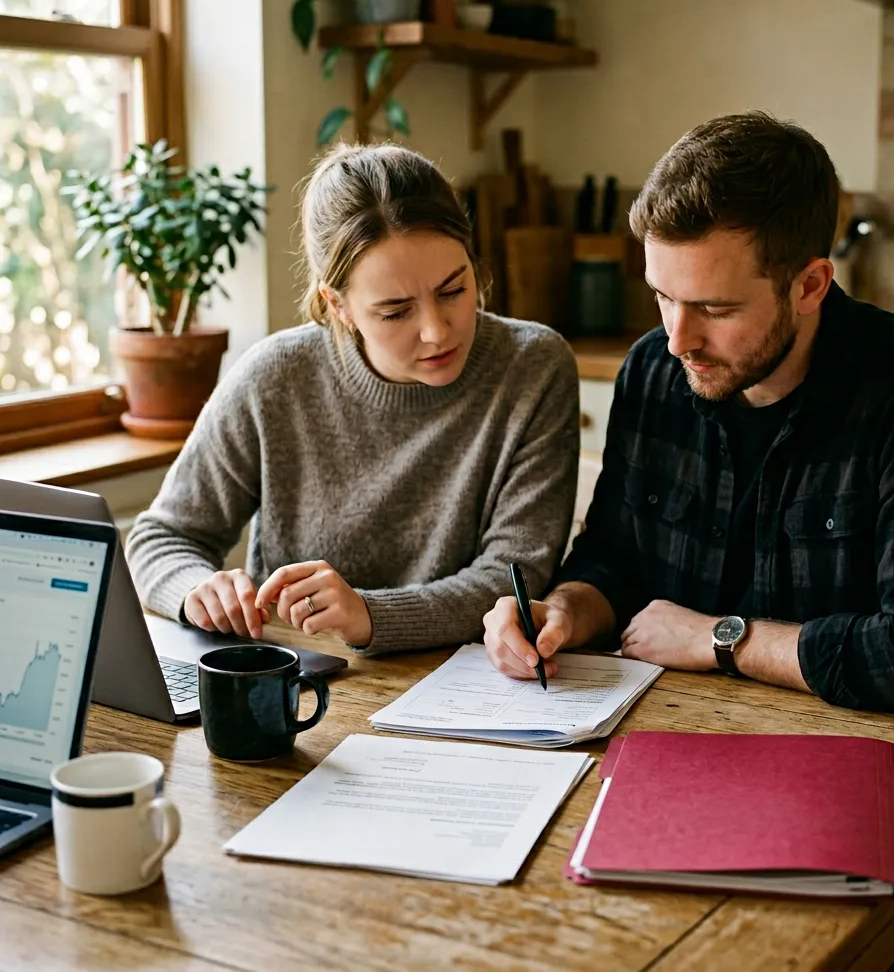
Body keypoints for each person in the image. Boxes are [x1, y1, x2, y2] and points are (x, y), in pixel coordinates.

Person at [483, 111, 894, 718]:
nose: (678, 339)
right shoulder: (653, 370)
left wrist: (724, 640)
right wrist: (564, 612)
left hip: (863, 747)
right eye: (663, 297)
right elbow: (614, 559)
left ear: (809, 286)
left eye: (715, 309)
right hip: (672, 729)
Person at [127, 143, 579, 655]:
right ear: (337, 305)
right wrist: (197, 591)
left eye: (453, 290)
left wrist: (370, 615)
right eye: (395, 312)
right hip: (301, 678)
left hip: (469, 680)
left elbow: (514, 575)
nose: (436, 331)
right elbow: (161, 538)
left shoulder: (533, 367)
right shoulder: (274, 377)